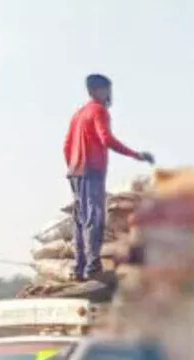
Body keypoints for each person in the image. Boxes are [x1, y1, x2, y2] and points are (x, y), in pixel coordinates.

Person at [64, 73, 154, 281]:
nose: (109, 95)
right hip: (91, 170)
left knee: (79, 220)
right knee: (94, 217)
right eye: (107, 90)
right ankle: (92, 265)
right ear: (96, 91)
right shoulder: (98, 111)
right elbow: (106, 139)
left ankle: (79, 266)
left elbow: (66, 145)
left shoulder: (78, 115)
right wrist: (136, 155)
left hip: (76, 171)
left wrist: (72, 166)